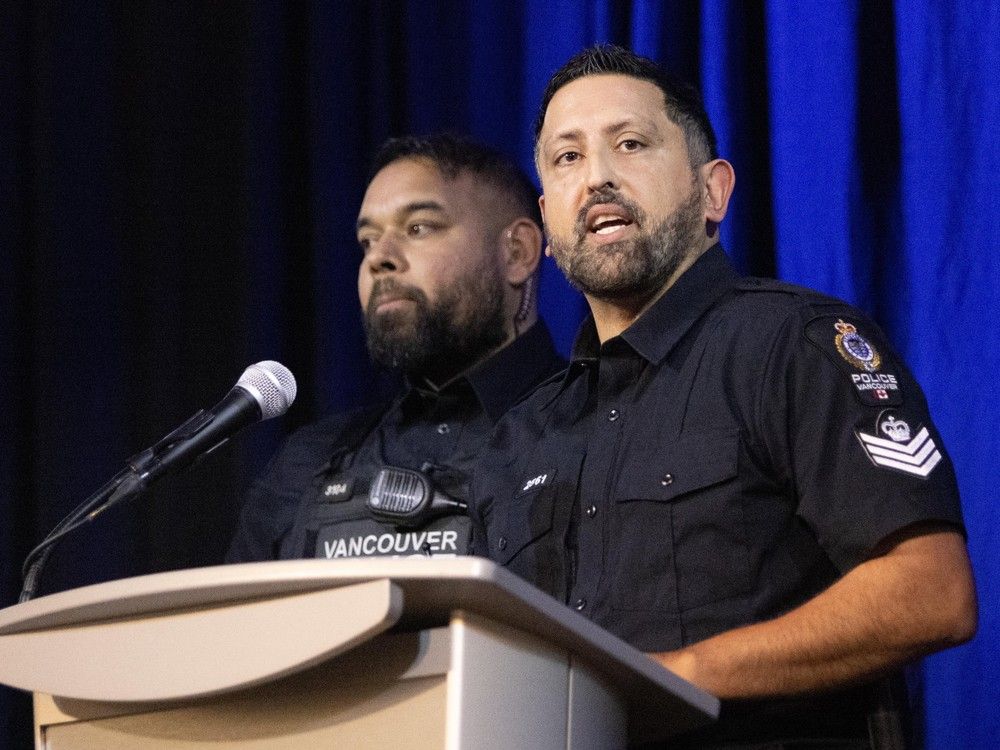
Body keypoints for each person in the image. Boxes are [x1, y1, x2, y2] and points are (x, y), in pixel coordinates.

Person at [468, 45, 977, 748]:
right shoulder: (520, 433)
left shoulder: (795, 347)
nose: (599, 178)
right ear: (547, 224)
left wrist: (672, 675)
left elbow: (931, 594)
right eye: (567, 158)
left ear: (714, 191)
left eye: (631, 144)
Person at [227, 134, 564, 563]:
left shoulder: (598, 427)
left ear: (517, 252)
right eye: (368, 240)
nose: (379, 258)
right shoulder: (306, 462)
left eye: (418, 228)